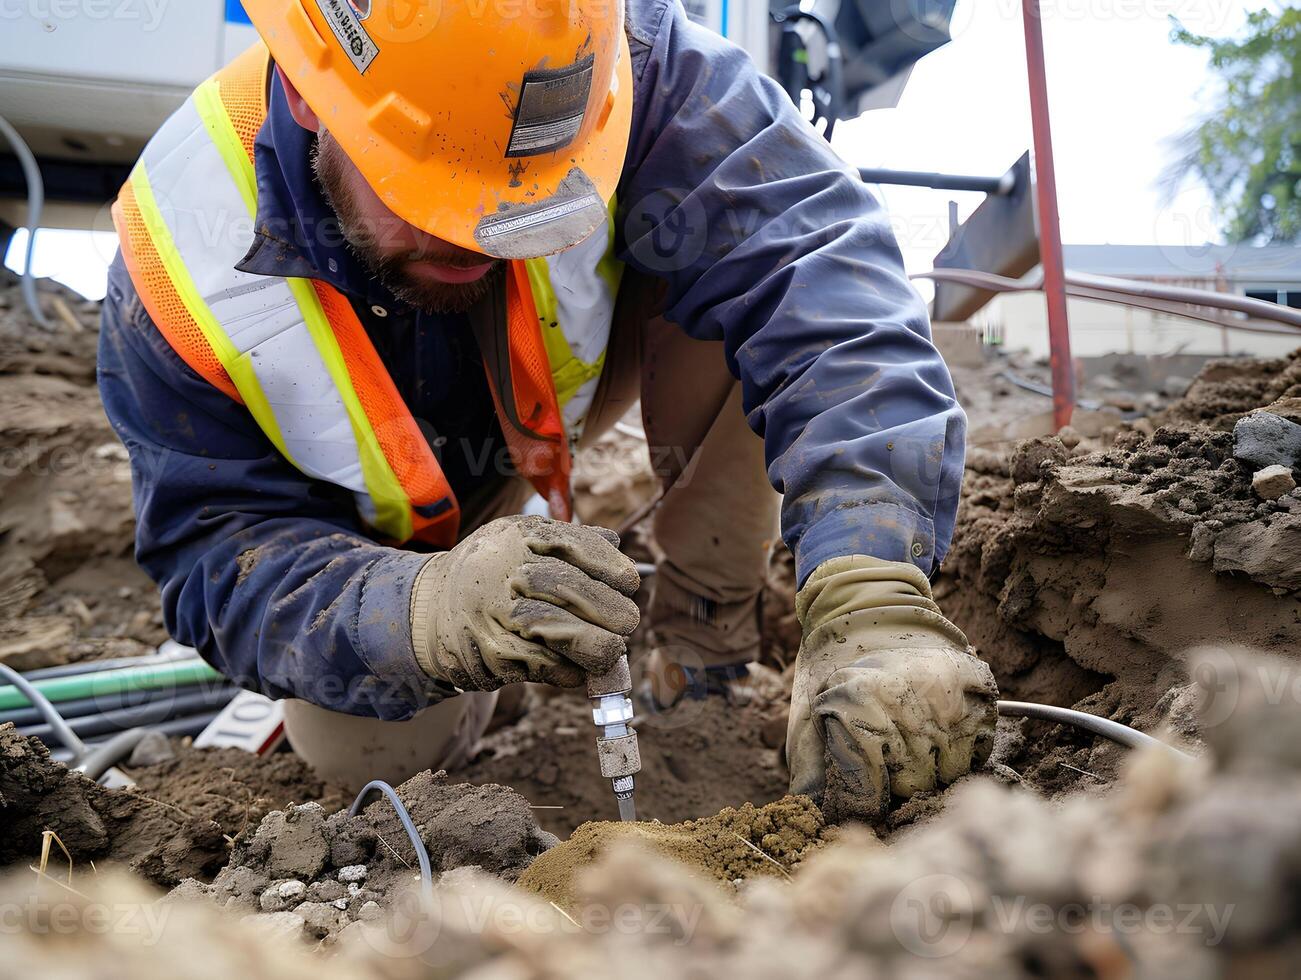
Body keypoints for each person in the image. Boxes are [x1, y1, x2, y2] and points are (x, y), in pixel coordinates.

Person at [98, 0, 997, 824]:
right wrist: (421, 613)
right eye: (432, 192)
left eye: (530, 193)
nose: (483, 234)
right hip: (373, 535)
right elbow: (214, 545)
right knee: (367, 752)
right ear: (307, 100)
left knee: (755, 286)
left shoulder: (636, 66)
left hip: (560, 398)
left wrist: (871, 583)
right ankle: (480, 668)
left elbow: (816, 276)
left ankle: (703, 647)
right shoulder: (179, 256)